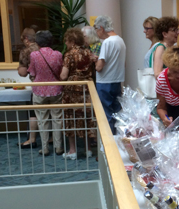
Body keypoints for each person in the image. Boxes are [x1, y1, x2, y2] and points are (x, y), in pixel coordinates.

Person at [60, 28, 97, 160]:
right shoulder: (88, 52)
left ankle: (73, 150)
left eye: (66, 41)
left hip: (72, 91)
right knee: (86, 118)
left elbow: (64, 75)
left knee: (71, 118)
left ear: (71, 40)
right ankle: (88, 150)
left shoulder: (69, 54)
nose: (66, 43)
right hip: (87, 90)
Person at [28, 30, 64, 156]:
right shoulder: (58, 54)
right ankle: (58, 147)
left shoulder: (34, 55)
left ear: (37, 42)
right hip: (56, 89)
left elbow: (32, 72)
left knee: (42, 119)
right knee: (57, 118)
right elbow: (60, 71)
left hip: (39, 90)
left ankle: (45, 148)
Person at [94, 15, 126, 134]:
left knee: (106, 114)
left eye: (96, 30)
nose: (97, 33)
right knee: (117, 113)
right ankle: (118, 139)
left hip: (104, 82)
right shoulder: (120, 40)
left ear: (101, 28)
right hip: (117, 80)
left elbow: (99, 67)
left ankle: (109, 142)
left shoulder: (107, 42)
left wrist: (95, 61)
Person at [17, 28, 39, 149]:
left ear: (26, 39)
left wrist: (19, 68)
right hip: (52, 86)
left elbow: (23, 72)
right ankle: (53, 139)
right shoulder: (44, 48)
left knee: (33, 113)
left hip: (37, 85)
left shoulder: (26, 52)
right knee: (51, 112)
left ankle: (32, 139)